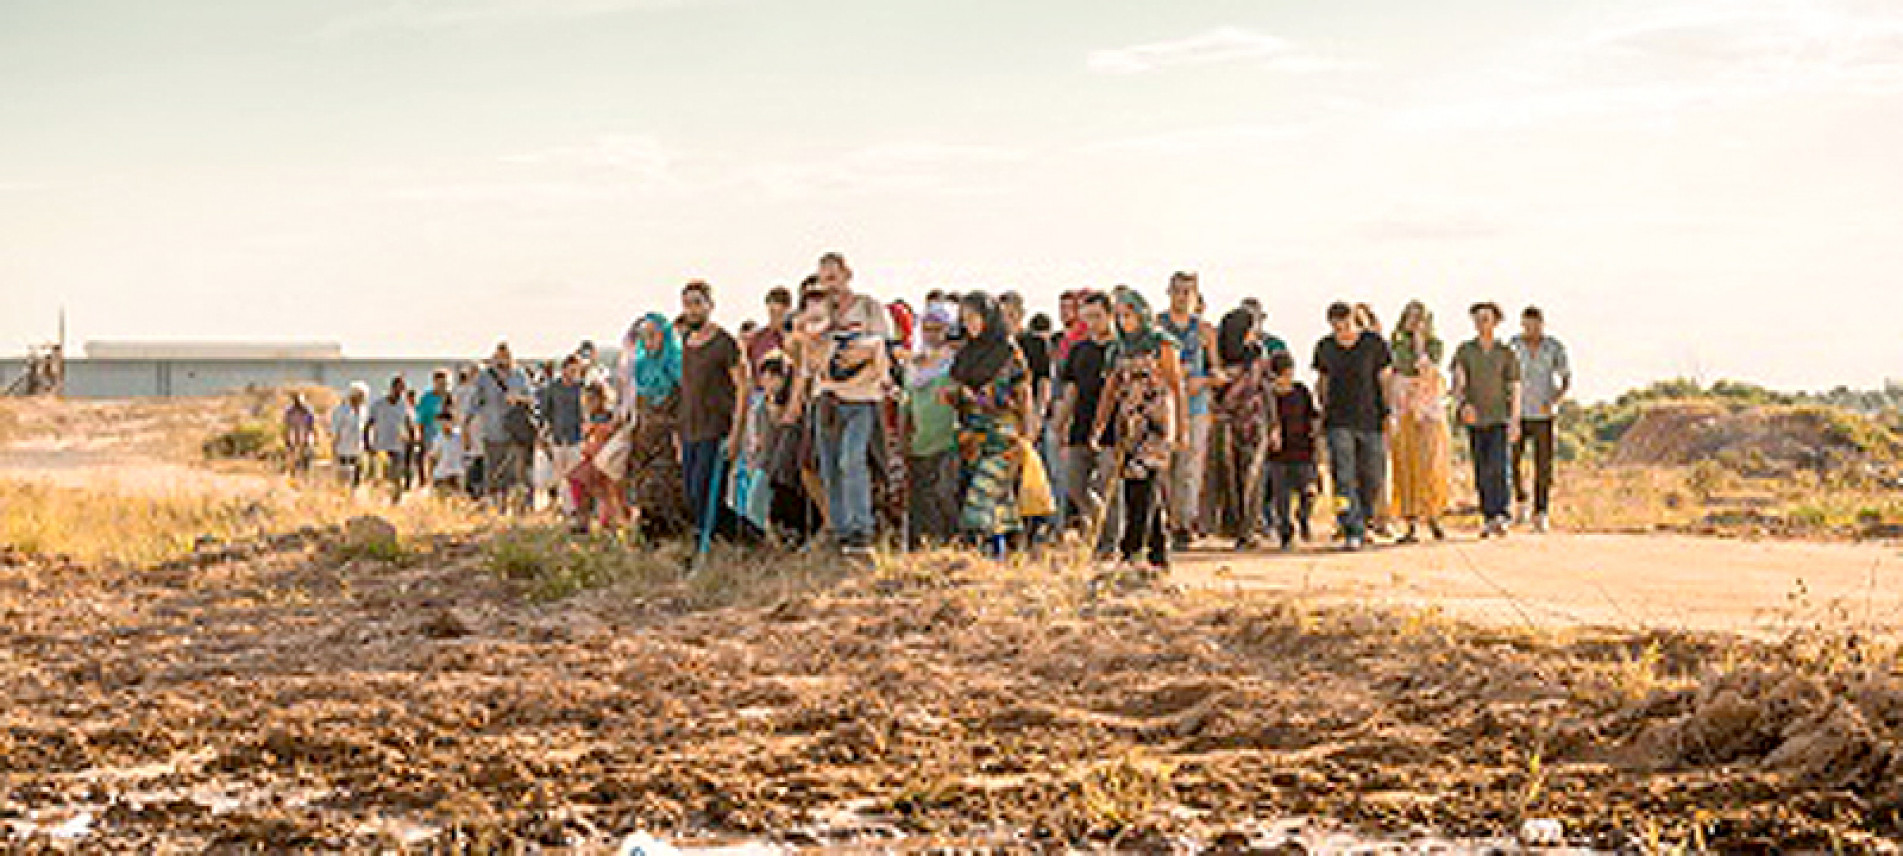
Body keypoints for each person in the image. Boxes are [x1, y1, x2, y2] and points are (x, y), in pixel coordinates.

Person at [1091, 287, 1187, 574]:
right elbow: (1110, 390)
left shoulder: (1161, 344)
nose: (1124, 321)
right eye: (1119, 316)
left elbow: (1176, 386)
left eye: (1128, 314)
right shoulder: (1117, 349)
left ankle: (1131, 549)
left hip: (1156, 422)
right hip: (1129, 423)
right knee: (1138, 484)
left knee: (1143, 482)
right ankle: (1158, 553)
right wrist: (1099, 424)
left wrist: (1182, 429)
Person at [801, 279, 890, 556]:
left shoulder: (864, 339)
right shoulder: (813, 343)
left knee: (852, 461)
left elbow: (880, 368)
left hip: (860, 403)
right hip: (826, 405)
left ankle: (861, 528)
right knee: (829, 468)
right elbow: (810, 372)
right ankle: (840, 530)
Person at [947, 292, 1033, 558]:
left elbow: (1023, 394)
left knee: (983, 494)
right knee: (994, 502)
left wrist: (1027, 434)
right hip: (972, 436)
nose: (970, 324)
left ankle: (980, 556)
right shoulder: (965, 354)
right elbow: (957, 393)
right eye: (965, 318)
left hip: (1002, 434)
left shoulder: (1008, 352)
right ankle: (996, 560)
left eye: (975, 317)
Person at [1313, 301, 1393, 551]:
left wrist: (1388, 412)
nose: (1341, 329)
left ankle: (1366, 518)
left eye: (1345, 323)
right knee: (1343, 476)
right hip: (1338, 419)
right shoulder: (1325, 347)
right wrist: (1321, 413)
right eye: (1335, 325)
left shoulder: (1373, 344)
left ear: (1354, 319)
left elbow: (1385, 379)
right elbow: (1323, 382)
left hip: (1371, 419)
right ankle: (1350, 526)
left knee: (1373, 474)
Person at [676, 280, 749, 544]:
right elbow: (685, 390)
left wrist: (736, 435)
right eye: (687, 304)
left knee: (706, 494)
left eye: (697, 303)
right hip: (689, 430)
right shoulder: (684, 343)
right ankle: (748, 539)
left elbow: (744, 388)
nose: (692, 310)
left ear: (710, 306)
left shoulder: (725, 343)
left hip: (715, 429)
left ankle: (712, 547)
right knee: (692, 497)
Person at [1158, 271, 1223, 550]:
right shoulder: (1157, 326)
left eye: (1188, 292)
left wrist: (1204, 380)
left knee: (1190, 467)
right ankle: (1164, 520)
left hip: (1195, 405)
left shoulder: (1204, 330)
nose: (1182, 297)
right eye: (1178, 291)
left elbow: (1217, 370)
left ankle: (1184, 523)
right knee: (1163, 467)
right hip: (1163, 404)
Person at [1054, 290, 1120, 555]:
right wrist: (1059, 424)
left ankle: (1108, 544)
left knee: (1108, 486)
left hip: (1113, 429)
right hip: (1081, 426)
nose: (1092, 323)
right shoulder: (1080, 349)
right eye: (1087, 317)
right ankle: (1096, 525)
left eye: (1097, 317)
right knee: (1075, 485)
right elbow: (1072, 390)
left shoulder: (1121, 349)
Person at [1451, 302, 1524, 538]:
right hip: (1475, 417)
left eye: (1486, 318)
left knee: (1499, 466)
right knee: (1481, 467)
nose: (1481, 323)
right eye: (1478, 318)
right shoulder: (1465, 350)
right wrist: (1462, 405)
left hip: (1499, 416)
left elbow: (1515, 387)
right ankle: (1488, 515)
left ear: (1496, 321)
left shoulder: (1506, 352)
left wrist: (1515, 420)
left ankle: (1502, 514)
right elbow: (1458, 383)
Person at [1209, 304, 1277, 550]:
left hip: (1255, 423)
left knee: (1253, 477)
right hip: (1227, 425)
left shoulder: (1258, 355)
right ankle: (1236, 528)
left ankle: (1249, 530)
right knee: (1231, 479)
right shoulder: (1218, 356)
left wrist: (1274, 425)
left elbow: (1267, 391)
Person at [620, 312, 691, 538]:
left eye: (653, 335)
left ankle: (673, 539)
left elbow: (686, 403)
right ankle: (648, 541)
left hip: (669, 439)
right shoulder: (641, 366)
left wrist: (680, 435)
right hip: (644, 438)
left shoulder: (677, 365)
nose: (648, 341)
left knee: (664, 488)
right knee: (643, 489)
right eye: (644, 335)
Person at [1388, 301, 1452, 542]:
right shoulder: (1396, 344)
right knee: (1406, 465)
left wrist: (1421, 343)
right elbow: (1404, 367)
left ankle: (1434, 516)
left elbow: (1427, 368)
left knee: (1431, 465)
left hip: (1429, 412)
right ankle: (1410, 522)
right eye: (1411, 317)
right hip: (1405, 410)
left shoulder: (1436, 345)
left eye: (1419, 317)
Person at [901, 305, 961, 548]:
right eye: (927, 329)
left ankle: (952, 547)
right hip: (920, 442)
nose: (932, 335)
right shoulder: (915, 365)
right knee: (920, 501)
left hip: (950, 440)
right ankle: (923, 550)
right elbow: (907, 404)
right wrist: (904, 438)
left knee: (945, 496)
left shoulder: (955, 363)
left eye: (938, 329)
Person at [1512, 306, 1571, 533]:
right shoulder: (1514, 345)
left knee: (1543, 465)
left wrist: (1556, 399)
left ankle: (1541, 512)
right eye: (1526, 324)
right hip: (1518, 411)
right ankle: (1520, 501)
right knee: (1513, 460)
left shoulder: (1554, 348)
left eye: (1534, 324)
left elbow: (1566, 377)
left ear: (1542, 324)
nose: (1530, 329)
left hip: (1544, 413)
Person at [1265, 351, 1320, 551]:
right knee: (1282, 499)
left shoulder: (1301, 391)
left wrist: (1316, 439)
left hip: (1304, 452)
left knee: (1309, 491)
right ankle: (1286, 535)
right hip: (1278, 456)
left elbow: (1313, 416)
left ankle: (1303, 517)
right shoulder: (1268, 397)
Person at [472, 343, 535, 511]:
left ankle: (514, 506)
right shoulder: (485, 377)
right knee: (493, 472)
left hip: (514, 431)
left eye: (505, 356)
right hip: (492, 430)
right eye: (499, 356)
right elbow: (475, 402)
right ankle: (496, 507)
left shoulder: (519, 375)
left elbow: (532, 399)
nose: (502, 360)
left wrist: (518, 398)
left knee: (514, 473)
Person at [565, 382, 629, 533]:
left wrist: (596, 431)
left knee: (606, 492)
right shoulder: (592, 417)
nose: (588, 404)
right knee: (582, 484)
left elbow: (607, 437)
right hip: (594, 458)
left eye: (591, 400)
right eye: (586, 401)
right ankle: (587, 521)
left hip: (606, 460)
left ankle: (606, 523)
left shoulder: (609, 417)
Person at [538, 355, 587, 514]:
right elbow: (545, 412)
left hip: (576, 437)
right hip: (558, 437)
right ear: (564, 369)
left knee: (575, 474)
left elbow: (583, 413)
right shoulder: (553, 388)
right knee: (561, 475)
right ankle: (567, 508)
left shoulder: (580, 388)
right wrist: (543, 433)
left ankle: (575, 506)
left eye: (576, 371)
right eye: (572, 370)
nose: (574, 373)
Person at [366, 375, 417, 500]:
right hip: (381, 447)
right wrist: (368, 445)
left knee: (396, 479)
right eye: (397, 388)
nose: (399, 392)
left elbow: (411, 428)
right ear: (391, 388)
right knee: (380, 478)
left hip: (398, 448)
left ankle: (394, 504)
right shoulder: (378, 405)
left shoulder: (405, 407)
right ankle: (377, 502)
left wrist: (411, 448)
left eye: (402, 389)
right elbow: (368, 425)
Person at [329, 382, 369, 488]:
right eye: (361, 396)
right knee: (343, 483)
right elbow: (334, 432)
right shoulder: (340, 411)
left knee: (356, 482)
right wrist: (334, 451)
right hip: (343, 451)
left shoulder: (363, 411)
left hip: (357, 451)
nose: (363, 399)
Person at [747, 286, 794, 377]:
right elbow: (750, 367)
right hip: (760, 388)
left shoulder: (795, 337)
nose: (773, 307)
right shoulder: (757, 338)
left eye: (778, 302)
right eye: (770, 303)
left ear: (788, 308)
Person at [428, 404, 468, 492]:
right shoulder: (438, 438)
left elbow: (466, 446)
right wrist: (430, 479)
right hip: (441, 475)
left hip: (456, 474)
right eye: (440, 423)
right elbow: (431, 457)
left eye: (444, 422)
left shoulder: (459, 435)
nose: (442, 425)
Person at [283, 392, 316, 477]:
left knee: (306, 455)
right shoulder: (289, 411)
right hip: (293, 435)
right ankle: (293, 474)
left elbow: (311, 424)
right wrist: (287, 438)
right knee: (292, 456)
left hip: (304, 434)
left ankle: (306, 473)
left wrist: (309, 436)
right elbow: (287, 425)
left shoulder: (307, 410)